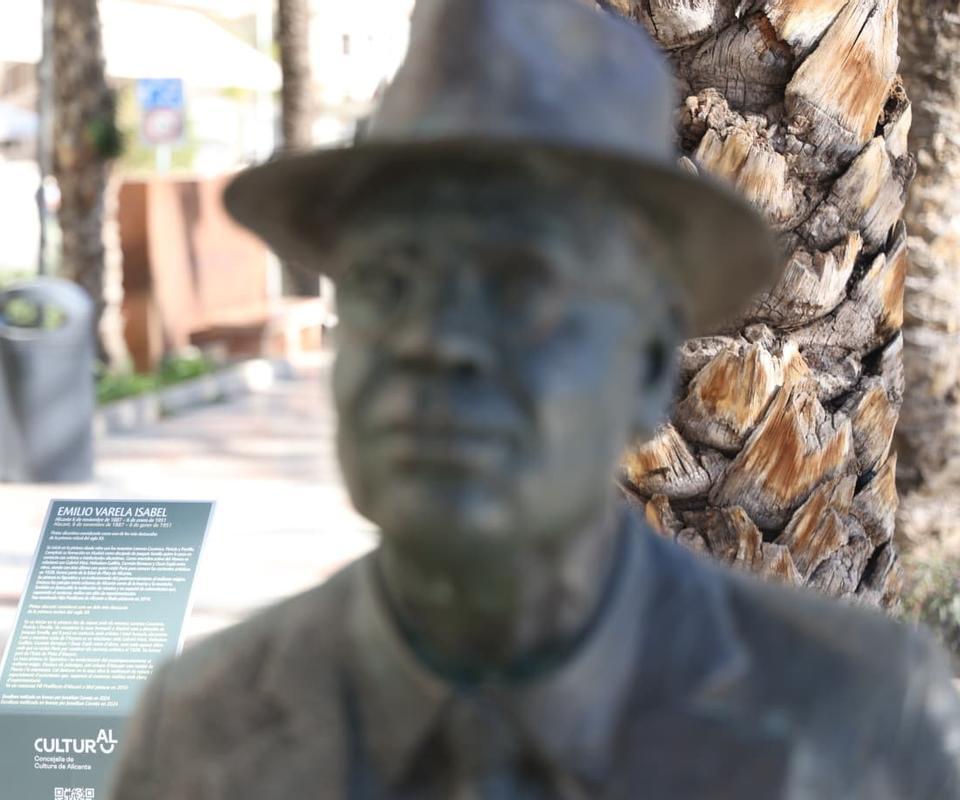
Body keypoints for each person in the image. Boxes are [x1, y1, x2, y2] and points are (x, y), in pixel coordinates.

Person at [111, 0, 960, 796]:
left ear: (644, 366)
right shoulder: (202, 737)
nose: (436, 342)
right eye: (387, 285)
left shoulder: (856, 723)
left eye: (520, 288)